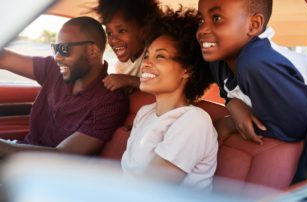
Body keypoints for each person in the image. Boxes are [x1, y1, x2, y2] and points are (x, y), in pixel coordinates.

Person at [0, 16, 128, 157]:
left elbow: (63, 155)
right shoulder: (54, 70)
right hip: (22, 151)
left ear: (92, 51)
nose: (57, 57)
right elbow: (4, 58)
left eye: (64, 49)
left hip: (47, 171)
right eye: (56, 48)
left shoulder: (110, 101)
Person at [121, 7, 218, 191]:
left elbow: (151, 191)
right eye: (147, 55)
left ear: (187, 69)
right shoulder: (144, 113)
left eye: (160, 56)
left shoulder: (193, 121)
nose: (146, 63)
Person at [196, 0, 307, 144]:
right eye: (201, 20)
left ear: (254, 25)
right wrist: (233, 103)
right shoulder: (219, 61)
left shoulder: (256, 62)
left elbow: (297, 127)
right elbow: (229, 93)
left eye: (216, 18)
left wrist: (230, 124)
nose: (202, 29)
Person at [93, 0, 163, 91]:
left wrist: (128, 80)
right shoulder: (120, 66)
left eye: (122, 31)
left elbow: (160, 84)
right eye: (109, 33)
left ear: (143, 32)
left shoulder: (154, 57)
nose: (113, 39)